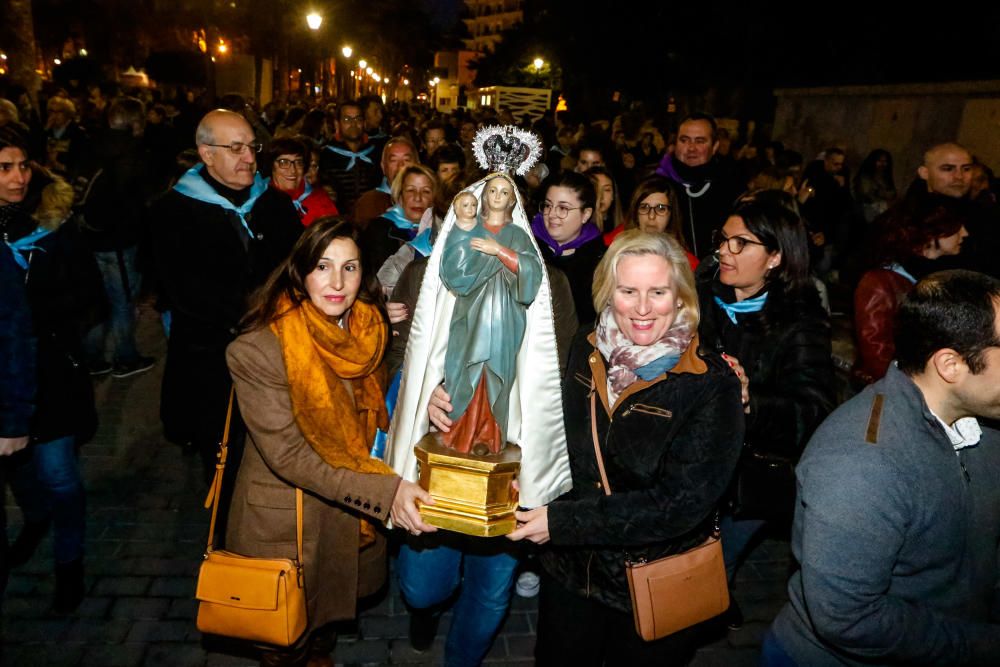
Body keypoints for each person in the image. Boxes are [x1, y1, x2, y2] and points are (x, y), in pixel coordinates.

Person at [507, 230, 745, 665]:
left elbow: (679, 504)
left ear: (680, 298)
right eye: (628, 290)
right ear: (607, 292)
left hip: (651, 580)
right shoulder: (587, 347)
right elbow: (543, 421)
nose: (641, 308)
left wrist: (562, 523)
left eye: (657, 292)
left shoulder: (709, 384)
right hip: (572, 573)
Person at [765, 270, 1000, 667]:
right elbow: (848, 618)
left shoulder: (985, 423)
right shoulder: (859, 465)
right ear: (951, 365)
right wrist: (981, 645)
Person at [225, 218, 432, 666]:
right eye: (323, 266)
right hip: (290, 520)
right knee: (284, 638)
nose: (337, 282)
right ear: (299, 272)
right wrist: (387, 492)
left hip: (347, 512)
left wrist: (425, 404)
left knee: (325, 625)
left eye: (351, 267)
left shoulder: (367, 333)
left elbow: (381, 414)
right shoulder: (258, 349)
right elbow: (291, 456)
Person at [695, 193, 835, 624]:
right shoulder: (701, 293)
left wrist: (747, 399)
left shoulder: (800, 322)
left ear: (774, 257)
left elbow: (812, 412)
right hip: (695, 462)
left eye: (741, 243)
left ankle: (709, 604)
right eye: (723, 240)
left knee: (716, 563)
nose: (724, 251)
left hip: (748, 478)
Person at [149, 109, 302, 476]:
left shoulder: (273, 204)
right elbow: (183, 290)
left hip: (277, 353)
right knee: (224, 462)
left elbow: (298, 267)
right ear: (206, 153)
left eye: (252, 147)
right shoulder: (171, 212)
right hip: (211, 361)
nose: (250, 158)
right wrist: (256, 314)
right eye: (236, 149)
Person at [1, 127, 104, 612]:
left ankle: (69, 562)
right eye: (4, 168)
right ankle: (35, 519)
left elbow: (91, 297)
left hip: (51, 371)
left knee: (59, 474)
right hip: (5, 375)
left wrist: (40, 315)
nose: (18, 178)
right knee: (20, 473)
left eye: (23, 165)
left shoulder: (54, 223)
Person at [438, 175, 543, 454]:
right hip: (470, 316)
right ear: (484, 195)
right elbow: (452, 270)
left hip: (505, 319)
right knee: (464, 371)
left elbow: (532, 272)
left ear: (512, 200)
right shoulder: (470, 228)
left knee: (495, 374)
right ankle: (459, 433)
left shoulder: (518, 235)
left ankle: (487, 436)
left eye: (504, 192)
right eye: (492, 190)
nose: (497, 195)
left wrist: (499, 251)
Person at [78, 96, 157, 378]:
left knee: (98, 300)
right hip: (119, 238)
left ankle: (92, 358)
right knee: (122, 300)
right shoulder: (131, 152)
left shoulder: (91, 142)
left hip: (89, 235)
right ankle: (126, 357)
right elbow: (135, 199)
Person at [853, 195, 970, 384]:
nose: (965, 233)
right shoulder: (880, 282)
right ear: (933, 232)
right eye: (956, 227)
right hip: (899, 394)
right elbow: (877, 355)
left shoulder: (943, 275)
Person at [655, 113, 743, 258]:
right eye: (684, 140)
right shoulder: (657, 184)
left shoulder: (731, 185)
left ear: (715, 146)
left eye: (700, 141)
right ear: (675, 144)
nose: (691, 148)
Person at [531, 171, 606, 324]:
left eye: (563, 208)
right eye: (547, 206)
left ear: (585, 214)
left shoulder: (601, 259)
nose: (551, 214)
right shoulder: (527, 246)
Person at [605, 174, 698, 270]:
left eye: (661, 208)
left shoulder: (686, 264)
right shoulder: (612, 250)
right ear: (635, 212)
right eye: (644, 207)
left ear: (671, 214)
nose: (651, 216)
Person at [360, 163, 438, 276]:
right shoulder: (379, 229)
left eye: (426, 191)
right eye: (411, 190)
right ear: (400, 196)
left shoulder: (443, 230)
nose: (418, 198)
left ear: (434, 198)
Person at [318, 101, 381, 222]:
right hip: (337, 221)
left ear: (364, 123)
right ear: (337, 124)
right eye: (347, 119)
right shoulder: (325, 155)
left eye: (358, 119)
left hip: (372, 222)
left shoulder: (376, 153)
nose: (353, 124)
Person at [264, 136, 339, 226]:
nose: (293, 170)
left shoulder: (321, 201)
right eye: (284, 162)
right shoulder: (258, 200)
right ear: (271, 165)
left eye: (299, 162)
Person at [353, 137, 419, 229]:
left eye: (407, 160)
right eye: (393, 160)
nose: (400, 166)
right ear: (383, 167)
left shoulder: (428, 200)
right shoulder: (369, 203)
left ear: (418, 165)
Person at [853, 148, 897, 222]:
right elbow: (866, 194)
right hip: (867, 211)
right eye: (879, 161)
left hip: (883, 211)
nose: (883, 164)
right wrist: (881, 193)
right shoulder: (865, 177)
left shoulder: (886, 177)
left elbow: (893, 193)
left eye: (885, 161)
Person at [585, 166, 621, 234]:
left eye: (607, 190)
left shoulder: (622, 228)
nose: (601, 196)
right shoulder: (578, 228)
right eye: (595, 189)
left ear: (613, 195)